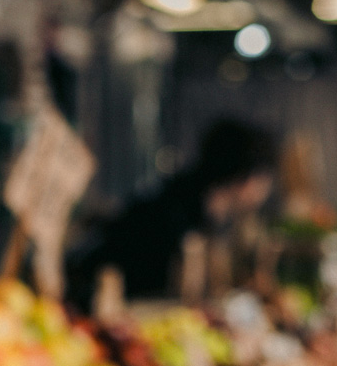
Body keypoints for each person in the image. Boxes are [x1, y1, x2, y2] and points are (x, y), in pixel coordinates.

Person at [68, 119, 277, 306]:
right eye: (264, 180)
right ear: (247, 178)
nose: (265, 192)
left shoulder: (202, 209)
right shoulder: (175, 214)